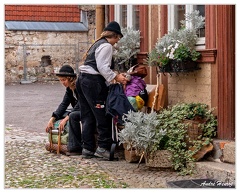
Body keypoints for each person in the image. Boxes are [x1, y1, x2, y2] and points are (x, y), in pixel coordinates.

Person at [76, 21, 128, 159]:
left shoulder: (97, 44)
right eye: (117, 39)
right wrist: (116, 77)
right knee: (101, 113)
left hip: (82, 80)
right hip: (93, 82)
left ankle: (87, 148)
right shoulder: (106, 46)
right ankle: (103, 147)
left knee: (87, 115)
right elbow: (103, 67)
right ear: (115, 36)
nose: (117, 42)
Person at [45, 65, 82, 155]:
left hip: (85, 110)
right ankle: (61, 140)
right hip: (77, 109)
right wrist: (52, 118)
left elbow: (80, 104)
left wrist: (66, 118)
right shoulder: (69, 89)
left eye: (64, 80)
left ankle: (75, 146)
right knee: (62, 114)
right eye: (61, 80)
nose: (62, 82)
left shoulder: (79, 86)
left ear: (70, 79)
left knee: (72, 116)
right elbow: (64, 104)